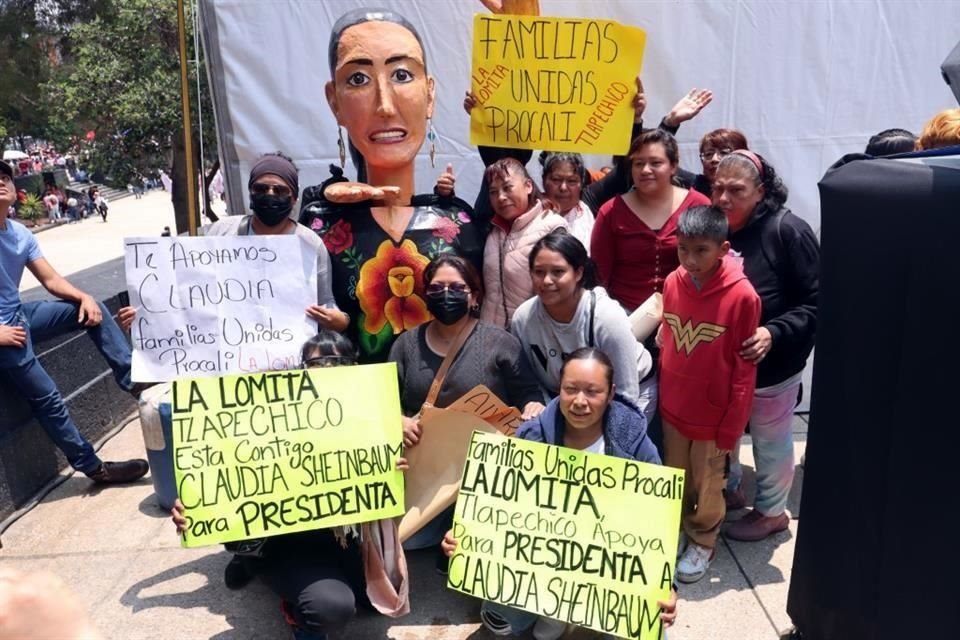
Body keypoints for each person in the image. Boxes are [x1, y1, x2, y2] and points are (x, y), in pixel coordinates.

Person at [173, 331, 407, 640]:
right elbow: (224, 474)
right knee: (331, 608)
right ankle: (286, 601)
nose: (327, 373)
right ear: (301, 372)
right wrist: (195, 505)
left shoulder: (372, 421)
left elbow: (385, 502)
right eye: (316, 365)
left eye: (339, 364)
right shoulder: (271, 424)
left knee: (374, 601)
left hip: (342, 539)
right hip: (284, 545)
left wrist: (392, 471)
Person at [441, 348, 677, 639]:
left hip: (606, 567)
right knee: (501, 616)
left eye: (592, 392)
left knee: (651, 625)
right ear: (559, 388)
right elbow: (499, 504)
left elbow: (660, 521)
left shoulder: (634, 442)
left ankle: (578, 616)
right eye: (571, 390)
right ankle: (553, 615)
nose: (580, 401)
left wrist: (669, 583)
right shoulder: (532, 436)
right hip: (544, 563)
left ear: (611, 393)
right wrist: (466, 536)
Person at [299, 8, 485, 363]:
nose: (384, 106)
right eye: (358, 80)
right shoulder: (321, 226)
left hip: (445, 399)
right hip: (356, 401)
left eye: (402, 75)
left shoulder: (456, 220)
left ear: (429, 95)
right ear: (334, 100)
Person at [0, 159, 149, 485]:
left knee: (91, 310)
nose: (0, 182)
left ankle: (134, 381)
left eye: (4, 177)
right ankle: (94, 467)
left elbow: (51, 280)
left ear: (15, 190)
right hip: (4, 335)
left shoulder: (19, 234)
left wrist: (84, 297)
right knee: (48, 396)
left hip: (20, 315)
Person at [390, 254, 542, 549]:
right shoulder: (406, 344)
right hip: (426, 471)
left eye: (457, 288)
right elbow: (386, 399)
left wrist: (532, 406)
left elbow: (529, 393)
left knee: (473, 545)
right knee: (408, 541)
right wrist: (398, 420)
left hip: (484, 472)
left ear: (474, 296)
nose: (446, 295)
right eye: (436, 288)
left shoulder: (500, 342)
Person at [710, 150, 819, 542]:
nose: (723, 198)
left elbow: (817, 301)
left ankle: (772, 512)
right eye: (718, 188)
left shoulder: (787, 231)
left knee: (770, 440)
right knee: (727, 432)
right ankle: (732, 488)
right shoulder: (715, 229)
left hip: (772, 367)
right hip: (723, 364)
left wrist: (773, 332)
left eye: (735, 190)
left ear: (760, 191)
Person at [118, 152, 347, 334]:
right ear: (250, 193)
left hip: (289, 361)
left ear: (294, 198)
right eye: (260, 188)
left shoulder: (309, 244)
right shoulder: (222, 232)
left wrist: (339, 321)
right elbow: (184, 290)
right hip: (227, 358)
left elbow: (327, 302)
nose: (269, 194)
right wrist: (146, 314)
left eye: (279, 190)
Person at [659, 204, 761, 583]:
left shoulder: (743, 297)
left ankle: (703, 537)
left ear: (723, 248)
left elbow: (743, 369)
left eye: (701, 250)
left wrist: (732, 423)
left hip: (713, 414)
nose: (690, 259)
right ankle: (674, 531)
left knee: (709, 482)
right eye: (683, 248)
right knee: (676, 476)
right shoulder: (672, 282)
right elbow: (668, 338)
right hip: (674, 407)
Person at [511, 229, 655, 422]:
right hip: (566, 401)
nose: (546, 281)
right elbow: (532, 382)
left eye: (558, 272)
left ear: (578, 273)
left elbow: (625, 393)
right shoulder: (523, 318)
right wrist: (540, 408)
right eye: (538, 272)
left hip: (629, 394)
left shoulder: (606, 318)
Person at [591, 129, 712, 314]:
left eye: (655, 163)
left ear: (673, 166)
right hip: (624, 318)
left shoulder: (699, 205)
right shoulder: (611, 211)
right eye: (638, 163)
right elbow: (599, 275)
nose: (645, 170)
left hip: (686, 317)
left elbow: (712, 267)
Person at [480, 158, 567, 328]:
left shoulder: (551, 227)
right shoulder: (492, 230)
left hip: (529, 337)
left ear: (528, 186)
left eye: (507, 188)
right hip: (490, 336)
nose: (501, 197)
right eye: (493, 192)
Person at [540, 152, 594, 251]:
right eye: (556, 180)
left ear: (581, 184)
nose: (563, 188)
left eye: (572, 181)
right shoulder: (529, 213)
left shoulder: (589, 215)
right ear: (543, 181)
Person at [689, 128, 750, 197]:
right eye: (708, 154)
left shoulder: (756, 192)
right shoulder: (695, 185)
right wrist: (674, 124)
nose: (714, 159)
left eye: (724, 153)